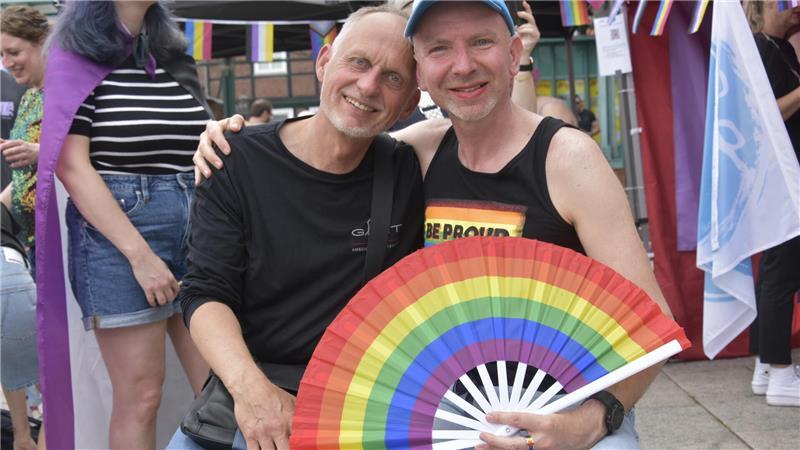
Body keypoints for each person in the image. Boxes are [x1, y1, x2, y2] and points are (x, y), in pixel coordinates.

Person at [196, 1, 673, 448]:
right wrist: (232, 137)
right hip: (446, 415)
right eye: (441, 48)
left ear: (512, 54)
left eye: (481, 43)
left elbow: (654, 323)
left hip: (565, 407)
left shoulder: (568, 160)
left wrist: (592, 420)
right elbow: (334, 131)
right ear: (421, 75)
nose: (462, 65)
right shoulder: (416, 153)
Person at [177, 5, 424, 449]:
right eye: (359, 62)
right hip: (248, 389)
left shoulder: (409, 168)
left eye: (393, 78)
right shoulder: (235, 158)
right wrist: (253, 394)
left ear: (409, 104)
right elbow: (204, 292)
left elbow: (497, 137)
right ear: (325, 61)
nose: (368, 86)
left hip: (354, 404)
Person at [45, 1, 210, 447]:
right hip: (118, 235)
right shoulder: (73, 51)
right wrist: (140, 256)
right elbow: (71, 165)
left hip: (196, 222)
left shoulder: (170, 51)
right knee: (141, 397)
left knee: (218, 392)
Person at [744, 0, 800, 408]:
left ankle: (769, 364)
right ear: (761, 9)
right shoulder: (762, 48)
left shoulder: (778, 47)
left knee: (779, 270)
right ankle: (779, 370)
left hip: (784, 176)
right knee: (782, 271)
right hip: (783, 178)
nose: (793, 7)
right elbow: (766, 116)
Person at [0, 6, 48, 449]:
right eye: (3, 54)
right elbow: (22, 181)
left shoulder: (60, 90)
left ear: (40, 44)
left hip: (63, 238)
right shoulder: (31, 93)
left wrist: (39, 151)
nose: (8, 62)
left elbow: (77, 152)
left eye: (14, 51)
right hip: (32, 239)